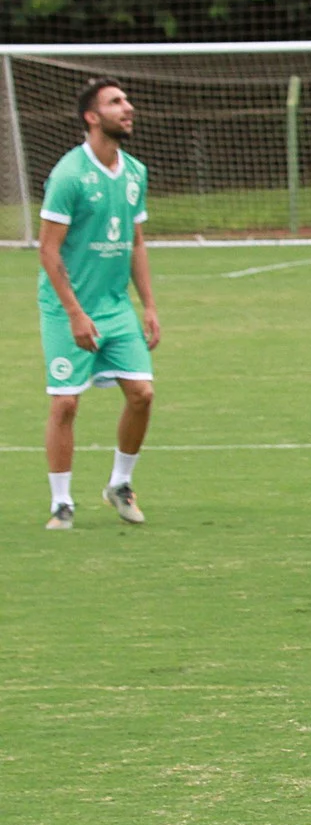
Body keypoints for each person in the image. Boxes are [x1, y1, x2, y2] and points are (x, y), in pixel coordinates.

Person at [37, 78, 160, 530]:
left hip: (114, 306)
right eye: (116, 102)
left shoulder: (135, 172)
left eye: (127, 100)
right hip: (65, 305)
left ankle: (119, 484)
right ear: (92, 117)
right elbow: (48, 250)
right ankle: (61, 502)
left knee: (143, 394)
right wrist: (73, 314)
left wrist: (148, 305)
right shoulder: (69, 174)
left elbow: (136, 243)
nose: (128, 108)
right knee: (66, 404)